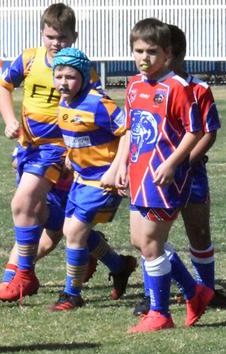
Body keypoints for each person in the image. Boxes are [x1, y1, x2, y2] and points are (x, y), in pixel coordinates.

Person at [0, 2, 136, 303]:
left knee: (24, 202)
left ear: (74, 37)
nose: (56, 43)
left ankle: (20, 279)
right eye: (50, 37)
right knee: (58, 223)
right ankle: (118, 264)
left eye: (63, 38)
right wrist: (10, 121)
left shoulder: (83, 71)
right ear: (42, 34)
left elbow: (99, 111)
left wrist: (108, 161)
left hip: (59, 152)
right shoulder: (29, 60)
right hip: (28, 150)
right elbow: (3, 87)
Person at [115, 18, 213, 333]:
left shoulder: (177, 88)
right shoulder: (133, 86)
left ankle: (160, 313)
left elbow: (194, 130)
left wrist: (172, 163)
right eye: (138, 51)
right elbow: (131, 130)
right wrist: (121, 167)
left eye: (152, 51)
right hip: (140, 175)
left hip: (165, 178)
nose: (144, 57)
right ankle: (194, 291)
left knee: (151, 242)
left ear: (167, 55)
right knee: (139, 240)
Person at [132, 24, 223, 316]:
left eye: (158, 53)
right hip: (156, 173)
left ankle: (205, 288)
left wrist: (184, 163)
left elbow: (207, 132)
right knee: (148, 237)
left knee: (197, 231)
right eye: (141, 51)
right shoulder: (142, 86)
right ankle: (153, 296)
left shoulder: (197, 89)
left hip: (189, 171)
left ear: (176, 54)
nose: (149, 59)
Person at [47, 47, 134, 311]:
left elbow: (127, 132)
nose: (63, 82)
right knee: (73, 231)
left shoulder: (98, 102)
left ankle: (72, 294)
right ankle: (120, 266)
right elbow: (77, 134)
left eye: (70, 77)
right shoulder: (64, 102)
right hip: (81, 178)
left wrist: (117, 168)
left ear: (84, 77)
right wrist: (69, 159)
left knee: (73, 232)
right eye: (58, 76)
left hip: (102, 180)